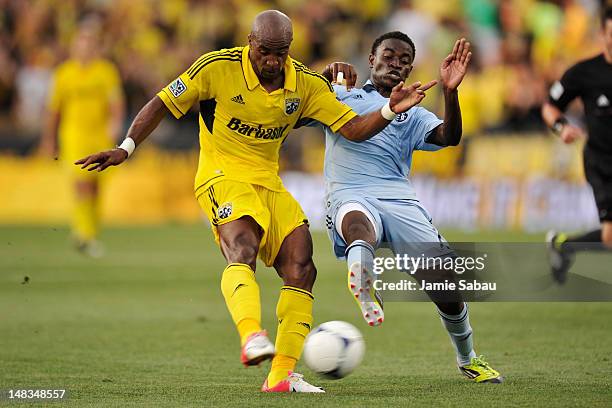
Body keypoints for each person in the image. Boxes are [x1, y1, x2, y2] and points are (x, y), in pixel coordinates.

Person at [76, 11, 435, 393]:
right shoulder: (216, 68)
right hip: (222, 176)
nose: (272, 60)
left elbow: (352, 129)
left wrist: (389, 109)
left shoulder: (305, 84)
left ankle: (281, 375)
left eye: (280, 52)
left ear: (289, 49)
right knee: (242, 246)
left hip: (269, 181)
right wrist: (126, 147)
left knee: (302, 265)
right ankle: (251, 335)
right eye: (265, 50)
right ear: (250, 41)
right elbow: (163, 103)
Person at [319, 32, 503, 383]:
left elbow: (449, 137)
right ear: (371, 59)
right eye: (389, 55)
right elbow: (296, 113)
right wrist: (323, 76)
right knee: (357, 223)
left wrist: (450, 92)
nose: (396, 63)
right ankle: (365, 278)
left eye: (405, 61)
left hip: (399, 199)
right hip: (350, 190)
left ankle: (468, 358)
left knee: (445, 286)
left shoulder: (415, 112)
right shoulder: (341, 96)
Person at [42, 20, 125, 257]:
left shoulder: (105, 71)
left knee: (96, 187)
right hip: (74, 135)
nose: (85, 49)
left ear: (96, 47)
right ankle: (83, 235)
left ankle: (90, 232)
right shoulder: (64, 74)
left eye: (89, 44)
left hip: (99, 135)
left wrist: (115, 125)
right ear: (74, 48)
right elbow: (54, 110)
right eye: (81, 44)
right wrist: (49, 138)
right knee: (81, 184)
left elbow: (116, 103)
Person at [542, 7, 612, 284]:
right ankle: (564, 245)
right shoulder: (585, 72)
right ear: (602, 35)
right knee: (610, 237)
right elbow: (550, 105)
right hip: (602, 162)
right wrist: (561, 128)